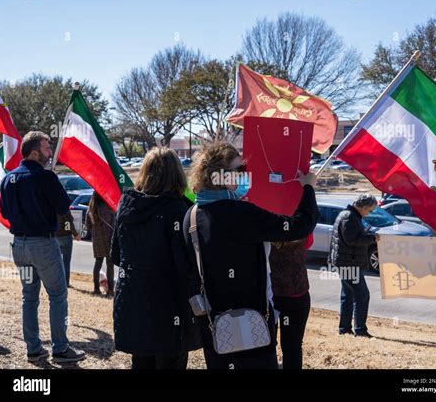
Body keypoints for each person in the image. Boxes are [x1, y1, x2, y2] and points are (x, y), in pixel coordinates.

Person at [183, 142, 319, 369]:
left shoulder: (192, 215)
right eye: (241, 171)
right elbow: (299, 227)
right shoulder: (240, 213)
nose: (246, 177)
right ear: (223, 177)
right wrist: (308, 188)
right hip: (251, 324)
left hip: (213, 325)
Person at [111, 148, 202, 369]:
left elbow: (116, 255)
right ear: (177, 174)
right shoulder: (178, 210)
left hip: (132, 302)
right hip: (169, 306)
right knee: (171, 361)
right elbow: (185, 265)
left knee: (141, 362)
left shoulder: (126, 206)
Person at [0, 131, 86, 363]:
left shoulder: (7, 179)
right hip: (43, 245)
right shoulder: (45, 177)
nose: (50, 153)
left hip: (19, 246)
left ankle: (34, 349)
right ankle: (60, 348)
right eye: (47, 149)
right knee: (57, 295)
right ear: (35, 151)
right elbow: (62, 208)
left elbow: (5, 212)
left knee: (29, 297)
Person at [328, 194, 380, 338]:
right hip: (349, 264)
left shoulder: (349, 215)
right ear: (362, 207)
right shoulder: (350, 217)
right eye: (369, 211)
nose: (368, 213)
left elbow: (351, 238)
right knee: (362, 295)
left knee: (348, 295)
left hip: (345, 262)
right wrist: (372, 238)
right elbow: (352, 240)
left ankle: (344, 328)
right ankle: (360, 330)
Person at [269, 239, 310, 369]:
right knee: (293, 346)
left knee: (266, 345)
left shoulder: (264, 220)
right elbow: (308, 244)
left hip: (270, 293)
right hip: (297, 292)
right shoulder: (302, 220)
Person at [86, 192, 115, 295]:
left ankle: (96, 289)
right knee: (110, 265)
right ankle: (110, 290)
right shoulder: (108, 208)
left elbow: (88, 226)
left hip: (97, 240)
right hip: (108, 238)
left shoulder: (90, 210)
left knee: (98, 264)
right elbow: (114, 224)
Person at [55, 212, 81, 287]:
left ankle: (58, 281)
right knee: (66, 261)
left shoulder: (52, 208)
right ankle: (66, 282)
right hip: (66, 237)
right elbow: (69, 224)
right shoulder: (65, 211)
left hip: (56, 237)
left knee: (57, 261)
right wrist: (75, 234)